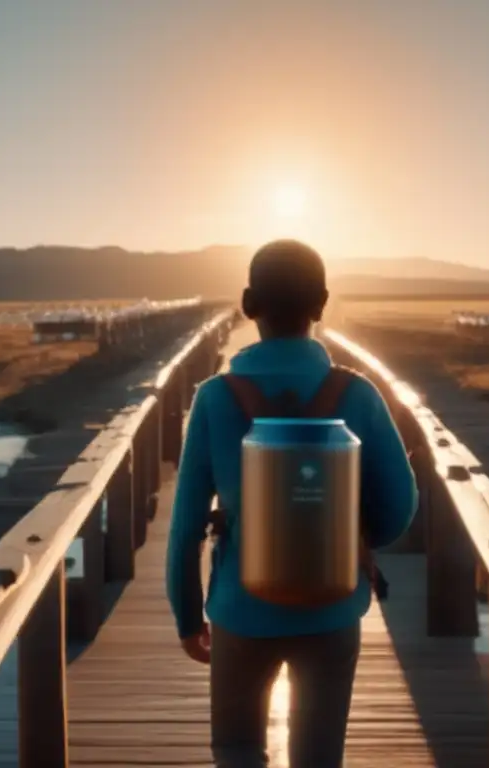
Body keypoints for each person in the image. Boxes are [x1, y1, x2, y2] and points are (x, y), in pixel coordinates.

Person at [165, 239, 418, 768]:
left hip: (240, 607)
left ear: (248, 304)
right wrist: (347, 530)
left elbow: (186, 523)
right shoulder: (359, 394)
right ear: (321, 304)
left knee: (236, 748)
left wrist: (189, 616)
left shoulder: (214, 397)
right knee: (319, 756)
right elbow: (400, 509)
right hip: (333, 606)